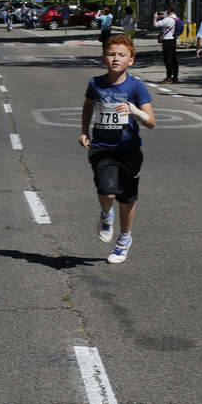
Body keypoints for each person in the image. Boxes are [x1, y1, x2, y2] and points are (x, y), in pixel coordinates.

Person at [78, 34, 156, 264]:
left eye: (122, 55)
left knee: (126, 199)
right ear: (104, 58)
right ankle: (106, 214)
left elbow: (151, 122)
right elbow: (88, 106)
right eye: (111, 54)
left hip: (129, 150)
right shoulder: (96, 83)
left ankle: (124, 239)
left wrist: (134, 110)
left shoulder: (136, 87)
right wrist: (84, 131)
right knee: (107, 192)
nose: (116, 58)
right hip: (102, 148)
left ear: (131, 60)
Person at [153, 7, 179, 83]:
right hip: (174, 40)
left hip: (167, 41)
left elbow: (156, 25)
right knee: (174, 59)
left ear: (169, 12)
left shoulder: (167, 20)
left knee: (167, 59)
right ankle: (175, 77)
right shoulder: (176, 18)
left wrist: (155, 18)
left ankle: (169, 77)